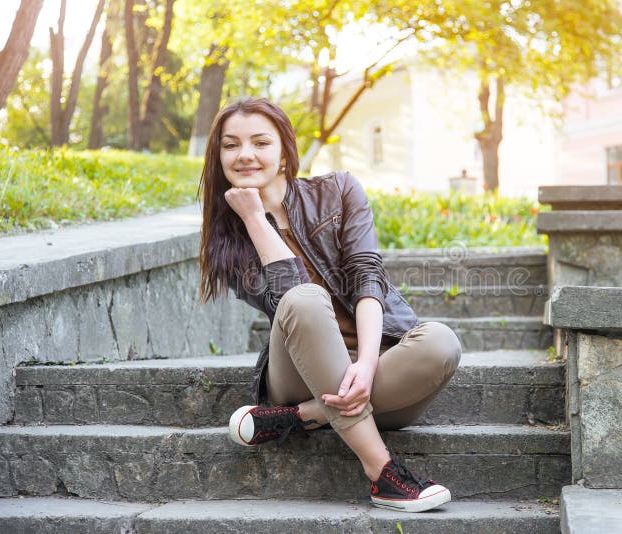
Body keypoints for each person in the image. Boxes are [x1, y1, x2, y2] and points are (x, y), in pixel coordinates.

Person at [197, 96, 462, 513]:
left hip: (380, 372)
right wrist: (253, 218)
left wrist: (368, 363)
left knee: (441, 342)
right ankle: (383, 474)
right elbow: (288, 298)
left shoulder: (338, 190)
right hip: (299, 371)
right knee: (305, 297)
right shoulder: (226, 245)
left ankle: (298, 418)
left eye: (260, 143)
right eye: (231, 145)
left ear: (285, 152)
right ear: (219, 156)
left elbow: (366, 274)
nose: (245, 154)